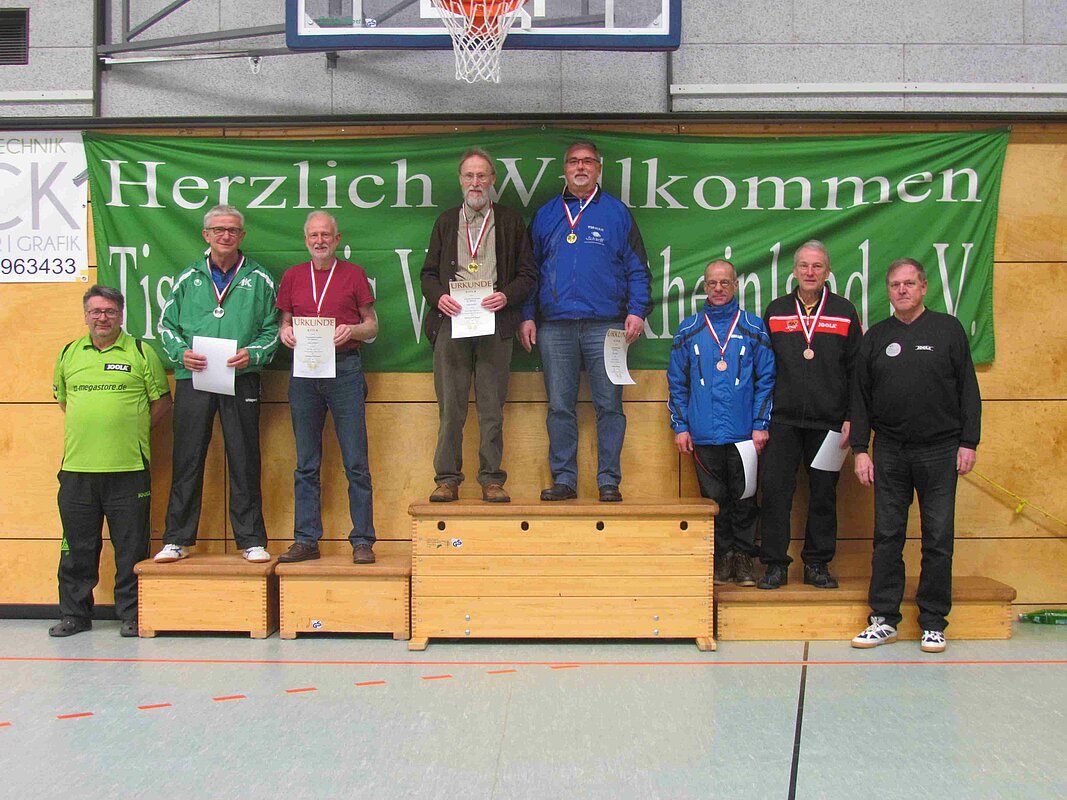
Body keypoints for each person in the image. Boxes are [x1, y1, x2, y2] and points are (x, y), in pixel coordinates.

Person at [849, 258, 981, 653]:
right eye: (895, 285)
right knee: (888, 536)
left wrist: (969, 442)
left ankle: (934, 622)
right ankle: (884, 619)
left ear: (923, 287)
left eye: (909, 283)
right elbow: (860, 399)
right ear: (888, 291)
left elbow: (968, 391)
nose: (902, 290)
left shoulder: (948, 330)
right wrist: (860, 449)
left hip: (941, 450)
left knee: (938, 537)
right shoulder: (876, 337)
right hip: (890, 450)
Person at [520, 140, 652, 502]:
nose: (581, 167)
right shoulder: (546, 215)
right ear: (564, 169)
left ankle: (609, 481)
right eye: (574, 161)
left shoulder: (617, 213)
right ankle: (564, 479)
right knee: (560, 406)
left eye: (588, 162)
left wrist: (637, 310)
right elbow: (530, 272)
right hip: (555, 326)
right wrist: (528, 315)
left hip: (607, 325)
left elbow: (638, 268)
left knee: (609, 405)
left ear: (599, 169)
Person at [154, 205, 279, 563]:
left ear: (242, 235)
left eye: (233, 230)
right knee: (187, 457)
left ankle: (251, 540)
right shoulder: (187, 277)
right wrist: (181, 354)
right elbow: (166, 326)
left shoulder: (260, 279)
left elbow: (274, 328)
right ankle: (176, 539)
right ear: (206, 234)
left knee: (244, 457)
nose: (226, 235)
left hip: (241, 378)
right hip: (195, 377)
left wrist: (253, 353)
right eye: (219, 229)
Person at [50, 285, 171, 637]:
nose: (102, 318)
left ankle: (131, 614)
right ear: (86, 315)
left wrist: (131, 431)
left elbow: (162, 403)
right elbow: (64, 401)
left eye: (109, 312)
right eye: (96, 311)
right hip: (77, 470)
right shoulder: (69, 353)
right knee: (77, 547)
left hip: (128, 469)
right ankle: (74, 615)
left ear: (121, 315)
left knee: (131, 549)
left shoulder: (140, 352)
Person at [420, 148, 537, 504]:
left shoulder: (510, 221)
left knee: (491, 407)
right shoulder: (445, 222)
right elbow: (427, 275)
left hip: (495, 324)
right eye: (469, 176)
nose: (475, 182)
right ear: (460, 180)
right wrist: (439, 297)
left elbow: (528, 274)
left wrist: (507, 296)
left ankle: (491, 479)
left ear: (492, 180)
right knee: (450, 407)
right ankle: (446, 479)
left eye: (482, 176)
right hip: (452, 323)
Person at [758, 241, 862, 590]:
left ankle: (817, 564)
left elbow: (856, 371)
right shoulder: (776, 311)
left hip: (830, 422)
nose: (810, 272)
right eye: (804, 265)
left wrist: (851, 417)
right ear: (794, 270)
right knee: (775, 493)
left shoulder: (844, 311)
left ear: (828, 271)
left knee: (824, 494)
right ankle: (775, 564)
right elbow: (764, 368)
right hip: (782, 420)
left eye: (817, 266)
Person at [276, 211, 379, 564]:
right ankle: (306, 540)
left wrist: (352, 330)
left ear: (337, 239)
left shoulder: (354, 274)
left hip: (345, 369)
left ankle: (362, 540)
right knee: (306, 462)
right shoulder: (292, 276)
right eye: (313, 235)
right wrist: (285, 333)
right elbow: (284, 322)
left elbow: (372, 326)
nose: (319, 241)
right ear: (306, 240)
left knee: (356, 462)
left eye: (325, 235)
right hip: (304, 372)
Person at [668, 260, 775, 586]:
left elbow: (766, 380)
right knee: (715, 501)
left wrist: (760, 423)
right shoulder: (688, 330)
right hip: (703, 434)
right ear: (705, 287)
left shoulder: (753, 328)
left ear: (735, 285)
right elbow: (676, 383)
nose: (718, 288)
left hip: (744, 435)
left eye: (725, 282)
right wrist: (681, 426)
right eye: (712, 283)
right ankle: (722, 558)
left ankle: (743, 560)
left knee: (744, 500)